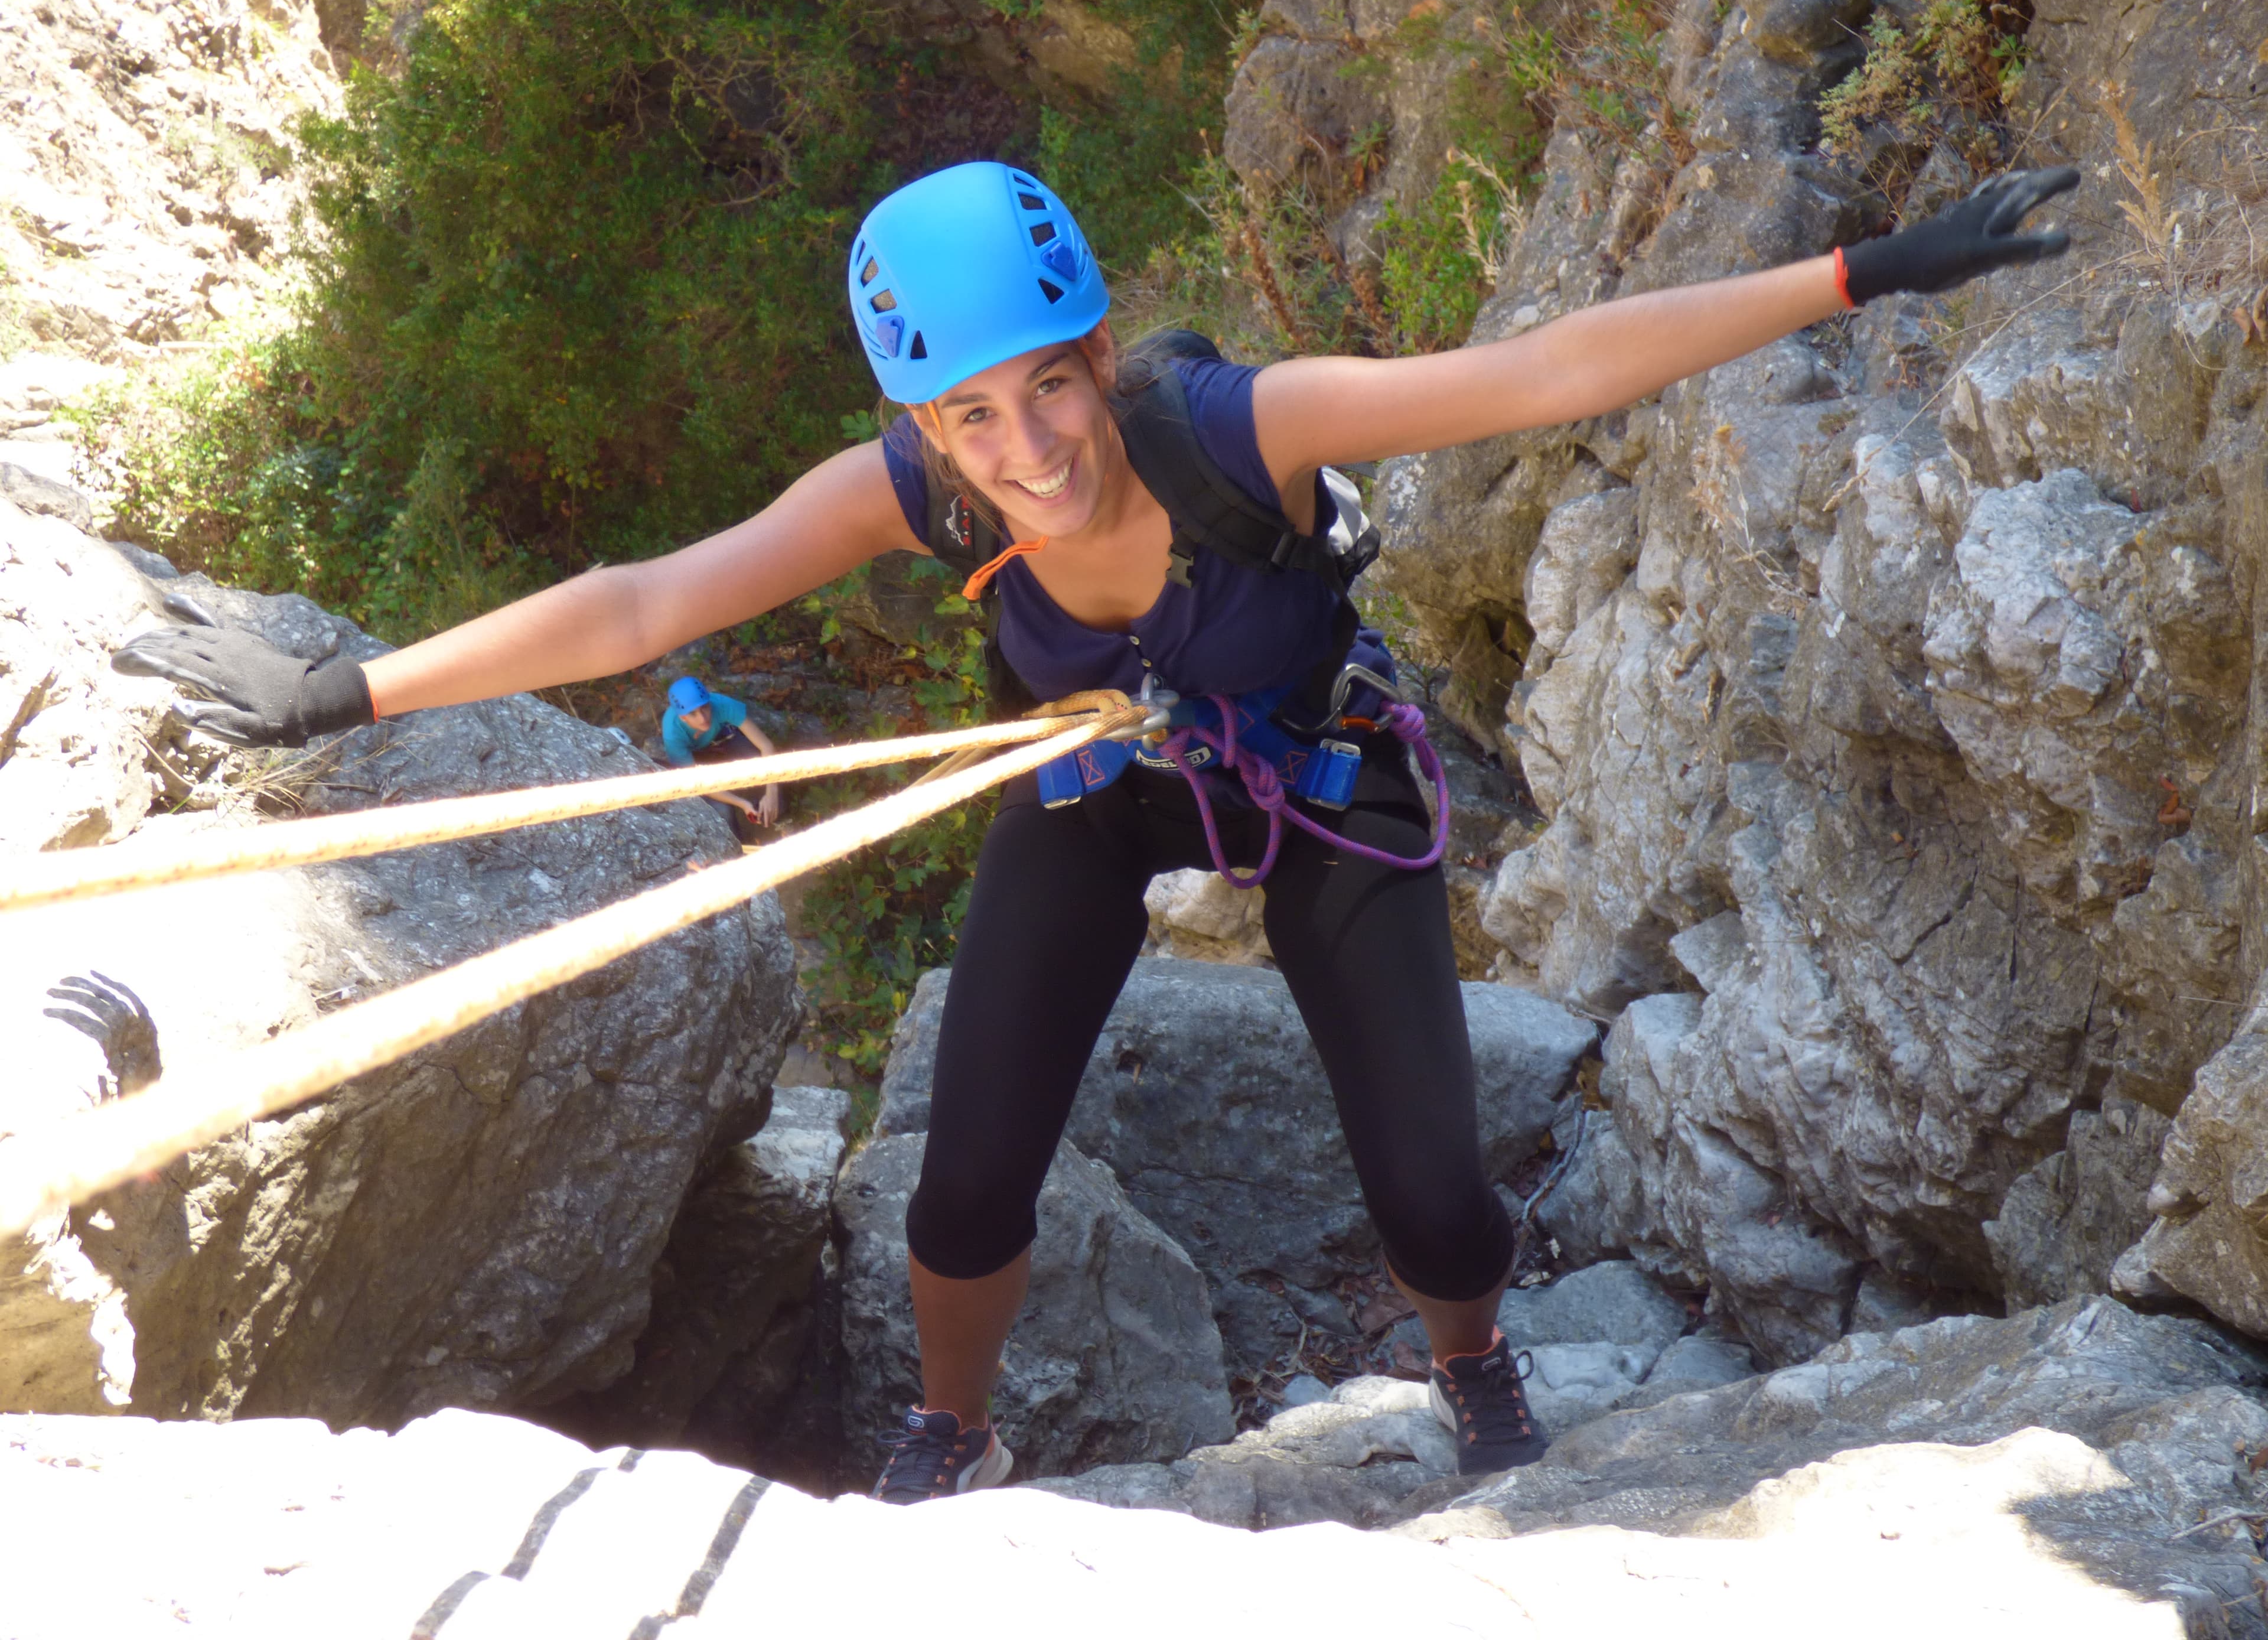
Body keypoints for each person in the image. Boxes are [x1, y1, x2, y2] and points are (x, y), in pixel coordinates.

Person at [113, 157, 2077, 1504]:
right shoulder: (922, 489)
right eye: (970, 420)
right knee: (965, 1189)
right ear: (926, 426)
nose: (1026, 451)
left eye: (1049, 391)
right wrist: (353, 690)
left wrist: (1856, 274)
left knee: (1436, 1206)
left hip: (1316, 777)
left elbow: (1535, 374)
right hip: (1088, 774)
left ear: (1098, 350)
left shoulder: (1236, 428)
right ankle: (947, 1437)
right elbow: (647, 604)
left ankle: (1475, 1361)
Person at [660, 674, 780, 839]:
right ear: (683, 717)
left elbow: (766, 746)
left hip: (723, 741)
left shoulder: (722, 704)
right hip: (696, 757)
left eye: (705, 708)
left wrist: (771, 793)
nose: (703, 718)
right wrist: (742, 804)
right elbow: (697, 783)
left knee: (755, 764)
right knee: (722, 811)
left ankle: (770, 816)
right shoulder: (673, 733)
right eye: (693, 714)